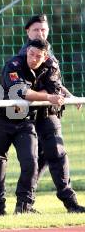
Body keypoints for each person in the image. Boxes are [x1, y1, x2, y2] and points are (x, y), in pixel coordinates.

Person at [0, 39, 65, 215]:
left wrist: (45, 95)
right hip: (2, 118)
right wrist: (46, 96)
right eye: (31, 54)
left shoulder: (50, 66)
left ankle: (23, 207)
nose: (34, 59)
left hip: (25, 121)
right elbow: (20, 92)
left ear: (44, 58)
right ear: (27, 51)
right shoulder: (13, 64)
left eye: (38, 56)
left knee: (31, 162)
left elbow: (55, 90)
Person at [18, 14, 85, 213]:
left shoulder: (47, 53)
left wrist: (68, 94)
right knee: (41, 159)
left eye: (44, 30)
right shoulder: (26, 56)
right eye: (36, 30)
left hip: (49, 114)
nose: (40, 33)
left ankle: (31, 204)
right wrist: (50, 95)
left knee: (52, 156)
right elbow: (27, 90)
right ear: (28, 32)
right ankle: (26, 204)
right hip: (31, 116)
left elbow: (53, 82)